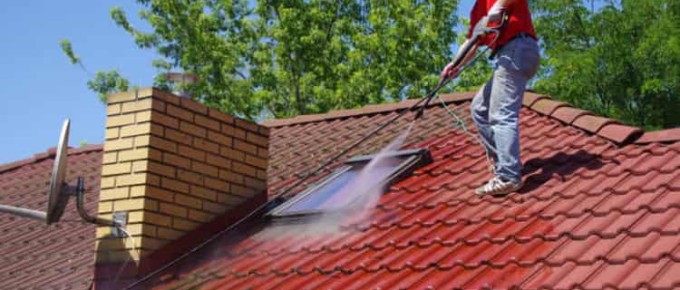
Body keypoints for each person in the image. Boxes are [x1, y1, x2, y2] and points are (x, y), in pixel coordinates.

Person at [441, 0, 540, 196]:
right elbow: (473, 41)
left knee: (501, 113)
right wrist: (455, 64)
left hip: (518, 48)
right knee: (480, 108)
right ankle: (506, 162)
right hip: (508, 54)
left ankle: (508, 176)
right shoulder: (478, 9)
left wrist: (499, 8)